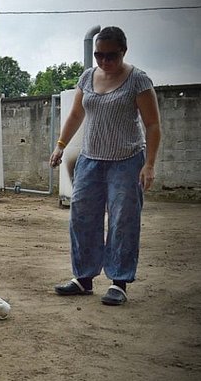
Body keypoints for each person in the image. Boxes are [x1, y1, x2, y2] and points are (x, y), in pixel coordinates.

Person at [50, 26, 161, 306]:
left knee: (123, 221)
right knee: (82, 217)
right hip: (90, 160)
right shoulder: (87, 77)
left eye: (110, 56)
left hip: (126, 161)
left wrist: (149, 164)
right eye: (99, 55)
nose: (104, 61)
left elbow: (153, 124)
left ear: (123, 52)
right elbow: (76, 113)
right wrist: (60, 145)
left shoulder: (138, 80)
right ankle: (84, 278)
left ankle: (119, 282)